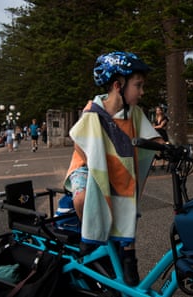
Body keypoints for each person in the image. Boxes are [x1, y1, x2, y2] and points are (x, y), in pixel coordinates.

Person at [64, 51, 161, 286]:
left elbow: (153, 140)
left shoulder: (134, 114)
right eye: (138, 86)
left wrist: (169, 148)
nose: (141, 92)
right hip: (87, 168)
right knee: (82, 199)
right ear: (118, 86)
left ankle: (129, 258)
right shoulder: (93, 112)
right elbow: (79, 141)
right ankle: (89, 233)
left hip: (118, 170)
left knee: (128, 204)